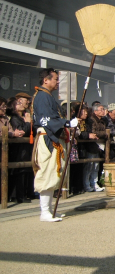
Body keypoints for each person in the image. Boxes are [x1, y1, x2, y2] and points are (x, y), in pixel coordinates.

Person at [32, 68, 78, 222]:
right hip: (47, 138)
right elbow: (46, 119)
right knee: (47, 172)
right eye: (55, 79)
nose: (58, 82)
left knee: (53, 172)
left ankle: (50, 210)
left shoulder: (47, 96)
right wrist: (66, 122)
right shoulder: (42, 97)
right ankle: (44, 211)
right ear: (46, 80)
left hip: (52, 137)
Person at [84, 103, 107, 192]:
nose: (103, 111)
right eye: (101, 109)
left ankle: (94, 183)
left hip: (99, 145)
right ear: (95, 111)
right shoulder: (92, 120)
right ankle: (87, 184)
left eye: (103, 109)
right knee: (89, 165)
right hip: (92, 144)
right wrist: (104, 134)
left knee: (96, 166)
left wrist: (103, 133)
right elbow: (94, 132)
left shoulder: (103, 120)